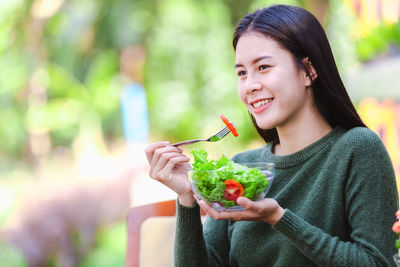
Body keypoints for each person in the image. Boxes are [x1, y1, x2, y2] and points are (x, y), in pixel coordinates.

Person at [144, 5, 399, 266]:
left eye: (263, 67)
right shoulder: (241, 168)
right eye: (242, 73)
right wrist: (187, 197)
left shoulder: (358, 149)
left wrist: (279, 218)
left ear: (309, 71)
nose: (250, 85)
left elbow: (378, 262)